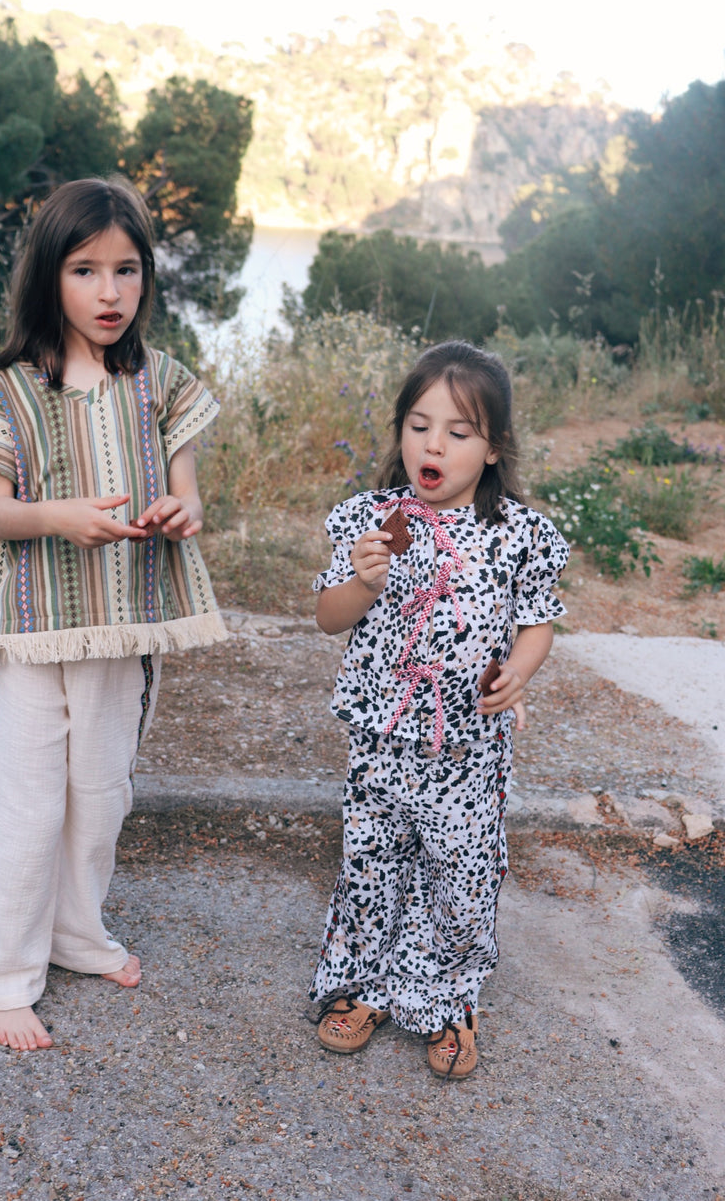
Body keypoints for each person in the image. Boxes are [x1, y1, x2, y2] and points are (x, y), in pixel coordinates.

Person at [0, 177, 226, 1051]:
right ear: (48, 279)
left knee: (99, 792)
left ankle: (73, 934)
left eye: (127, 270)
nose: (109, 292)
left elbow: (189, 498)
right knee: (25, 798)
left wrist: (182, 513)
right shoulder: (9, 390)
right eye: (85, 270)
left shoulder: (164, 383)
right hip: (30, 627)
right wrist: (61, 516)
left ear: (147, 279)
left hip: (129, 620)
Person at [309, 340, 568, 1079]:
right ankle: (363, 987)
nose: (434, 444)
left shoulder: (515, 534)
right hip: (381, 738)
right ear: (399, 433)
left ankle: (452, 1000)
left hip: (468, 748)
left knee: (458, 875)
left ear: (492, 448)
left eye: (458, 432)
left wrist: (517, 672)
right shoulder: (371, 521)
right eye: (420, 424)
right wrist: (361, 582)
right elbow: (329, 616)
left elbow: (538, 622)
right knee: (371, 865)